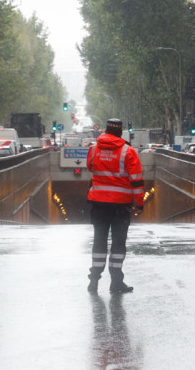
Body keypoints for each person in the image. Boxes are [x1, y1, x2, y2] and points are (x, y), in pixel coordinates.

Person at [86, 118, 146, 294]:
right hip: (121, 205)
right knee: (118, 243)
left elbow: (90, 167)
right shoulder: (128, 152)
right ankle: (116, 282)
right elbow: (136, 180)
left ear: (105, 130)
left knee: (99, 240)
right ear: (120, 132)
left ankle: (94, 280)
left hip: (98, 203)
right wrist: (139, 203)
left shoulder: (93, 148)